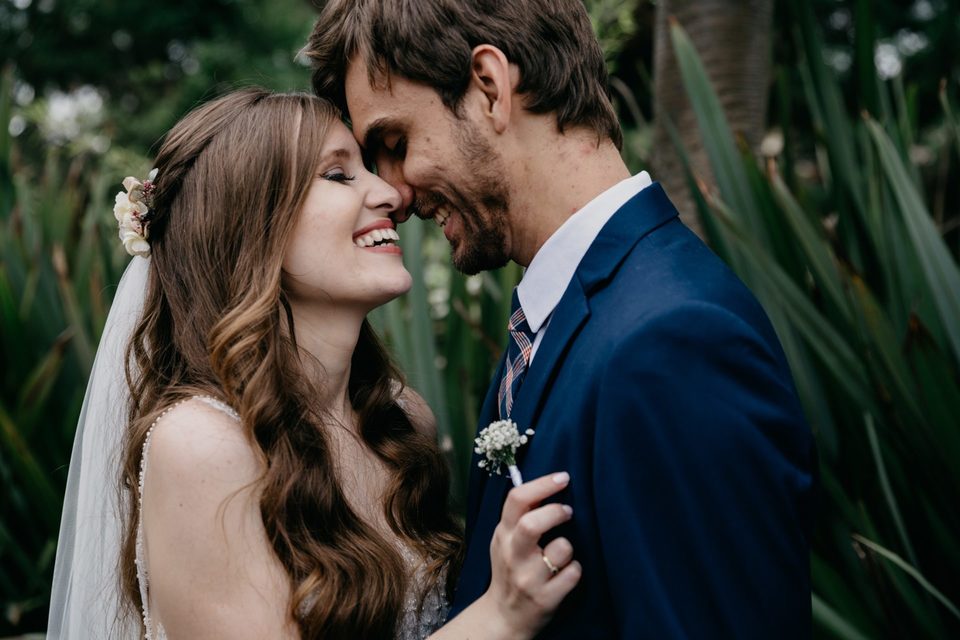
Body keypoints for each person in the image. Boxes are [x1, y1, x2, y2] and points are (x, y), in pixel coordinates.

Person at [304, 1, 817, 638]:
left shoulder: (672, 341)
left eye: (395, 143)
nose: (396, 193)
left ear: (490, 87)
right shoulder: (563, 319)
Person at [46, 88, 583, 639]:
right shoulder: (202, 445)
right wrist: (500, 616)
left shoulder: (399, 422)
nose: (392, 194)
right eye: (338, 175)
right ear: (251, 223)